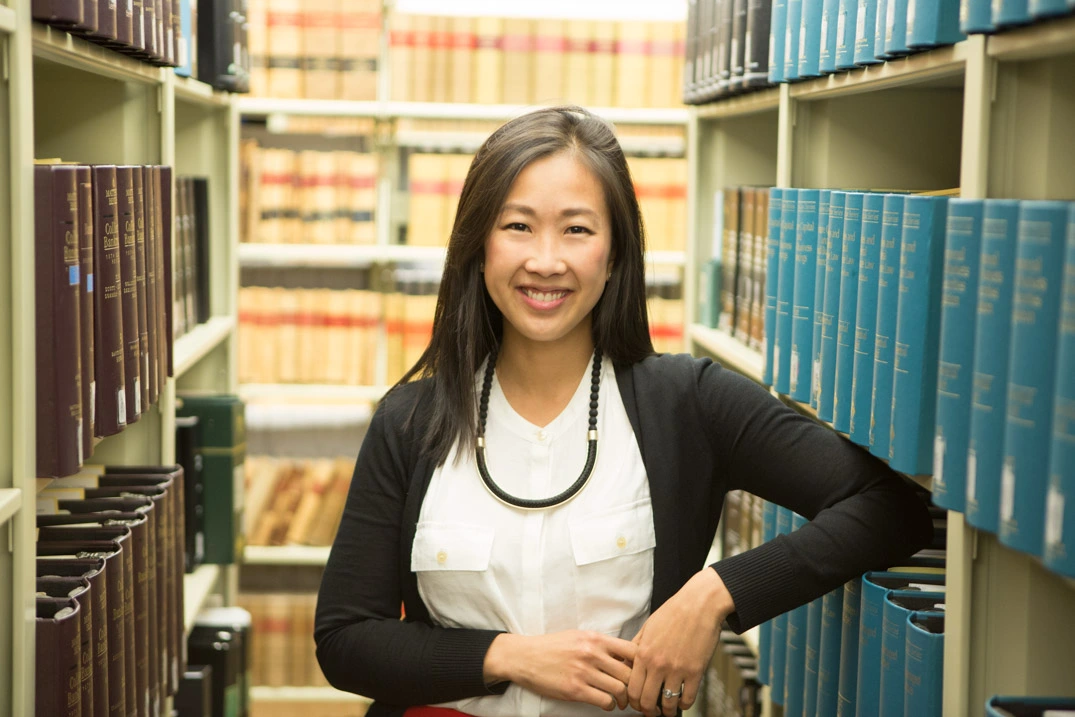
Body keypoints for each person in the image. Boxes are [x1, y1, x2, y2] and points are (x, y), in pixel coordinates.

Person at [314, 106, 933, 717]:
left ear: (614, 256)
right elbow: (345, 641)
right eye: (518, 226)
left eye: (577, 230)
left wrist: (713, 594)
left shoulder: (687, 401)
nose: (546, 261)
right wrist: (511, 657)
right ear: (478, 247)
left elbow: (890, 508)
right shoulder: (409, 419)